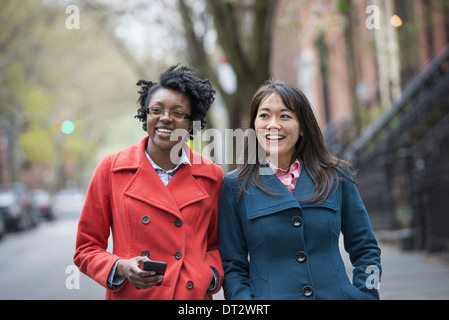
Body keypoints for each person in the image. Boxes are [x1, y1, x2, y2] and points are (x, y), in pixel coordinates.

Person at [218, 78, 381, 300]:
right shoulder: (235, 185)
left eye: (285, 116)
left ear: (303, 127)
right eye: (264, 115)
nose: (273, 125)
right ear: (254, 126)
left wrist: (368, 294)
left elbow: (367, 250)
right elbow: (233, 268)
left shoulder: (337, 176)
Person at [74, 65, 224, 300]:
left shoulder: (211, 175)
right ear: (146, 114)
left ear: (191, 122)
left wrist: (208, 276)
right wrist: (121, 267)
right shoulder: (111, 169)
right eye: (157, 110)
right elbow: (86, 248)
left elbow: (217, 246)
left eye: (177, 113)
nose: (165, 118)